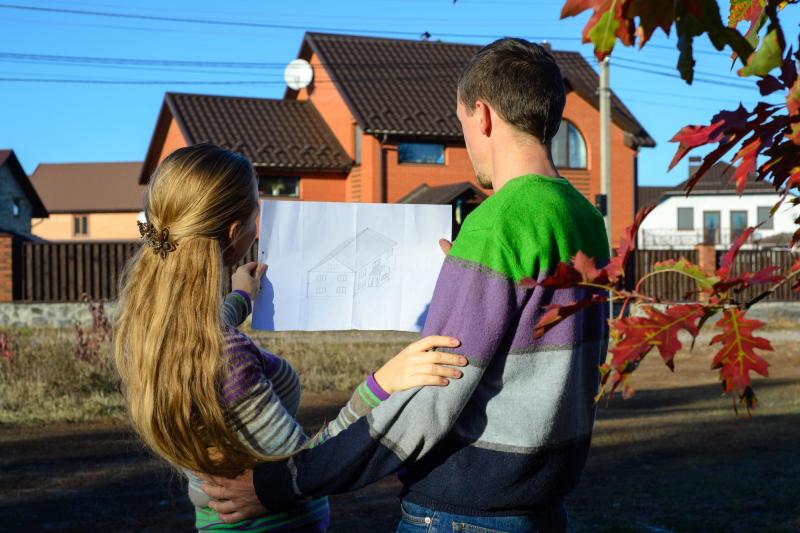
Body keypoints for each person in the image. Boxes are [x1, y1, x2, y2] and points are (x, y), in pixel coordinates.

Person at [202, 37, 611, 533]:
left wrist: (279, 485)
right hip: (543, 506)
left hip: (463, 514)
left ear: (482, 115)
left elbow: (426, 405)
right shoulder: (587, 218)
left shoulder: (494, 224)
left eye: (461, 126)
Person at [113, 143, 468, 532]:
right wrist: (380, 385)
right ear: (236, 233)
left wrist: (240, 299)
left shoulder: (147, 334)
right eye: (256, 209)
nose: (259, 220)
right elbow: (305, 466)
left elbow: (202, 332)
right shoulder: (228, 361)